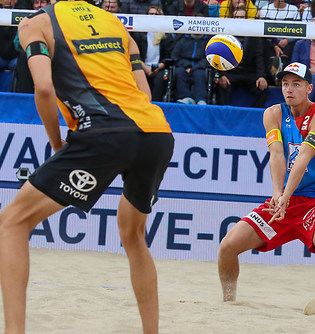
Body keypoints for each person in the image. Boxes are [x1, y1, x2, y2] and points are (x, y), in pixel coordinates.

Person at [0, 1, 174, 333]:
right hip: (156, 133)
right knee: (133, 234)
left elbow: (44, 88)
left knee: (11, 224)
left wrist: (56, 143)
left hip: (103, 132)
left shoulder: (35, 23)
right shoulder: (117, 25)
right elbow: (144, 92)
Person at [218, 62, 315, 302]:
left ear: (309, 89)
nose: (289, 89)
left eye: (296, 84)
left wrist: (284, 195)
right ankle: (229, 302)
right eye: (285, 84)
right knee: (227, 246)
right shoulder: (273, 113)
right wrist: (277, 193)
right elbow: (276, 154)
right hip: (283, 201)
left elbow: (303, 157)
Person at [217, 8, 269, 107]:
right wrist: (222, 75)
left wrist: (261, 76)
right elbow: (219, 57)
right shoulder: (225, 35)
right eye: (237, 17)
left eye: (242, 17)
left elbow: (259, 57)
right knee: (221, 86)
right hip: (231, 72)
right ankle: (224, 116)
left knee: (264, 90)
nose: (239, 19)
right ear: (232, 18)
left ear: (246, 19)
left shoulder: (253, 35)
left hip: (249, 73)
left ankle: (253, 116)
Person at [131, 6, 176, 101]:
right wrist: (145, 68)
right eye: (151, 14)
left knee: (160, 78)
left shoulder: (166, 36)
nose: (153, 16)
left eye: (156, 14)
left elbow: (170, 57)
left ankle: (156, 104)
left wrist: (158, 67)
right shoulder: (139, 34)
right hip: (141, 66)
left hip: (159, 68)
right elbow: (134, 54)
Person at [171, 34, 210, 104]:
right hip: (183, 66)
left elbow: (208, 59)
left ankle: (201, 99)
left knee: (199, 74)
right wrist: (187, 66)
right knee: (179, 72)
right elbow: (175, 56)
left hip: (199, 67)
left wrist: (193, 68)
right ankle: (185, 97)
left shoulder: (208, 42)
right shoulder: (182, 41)